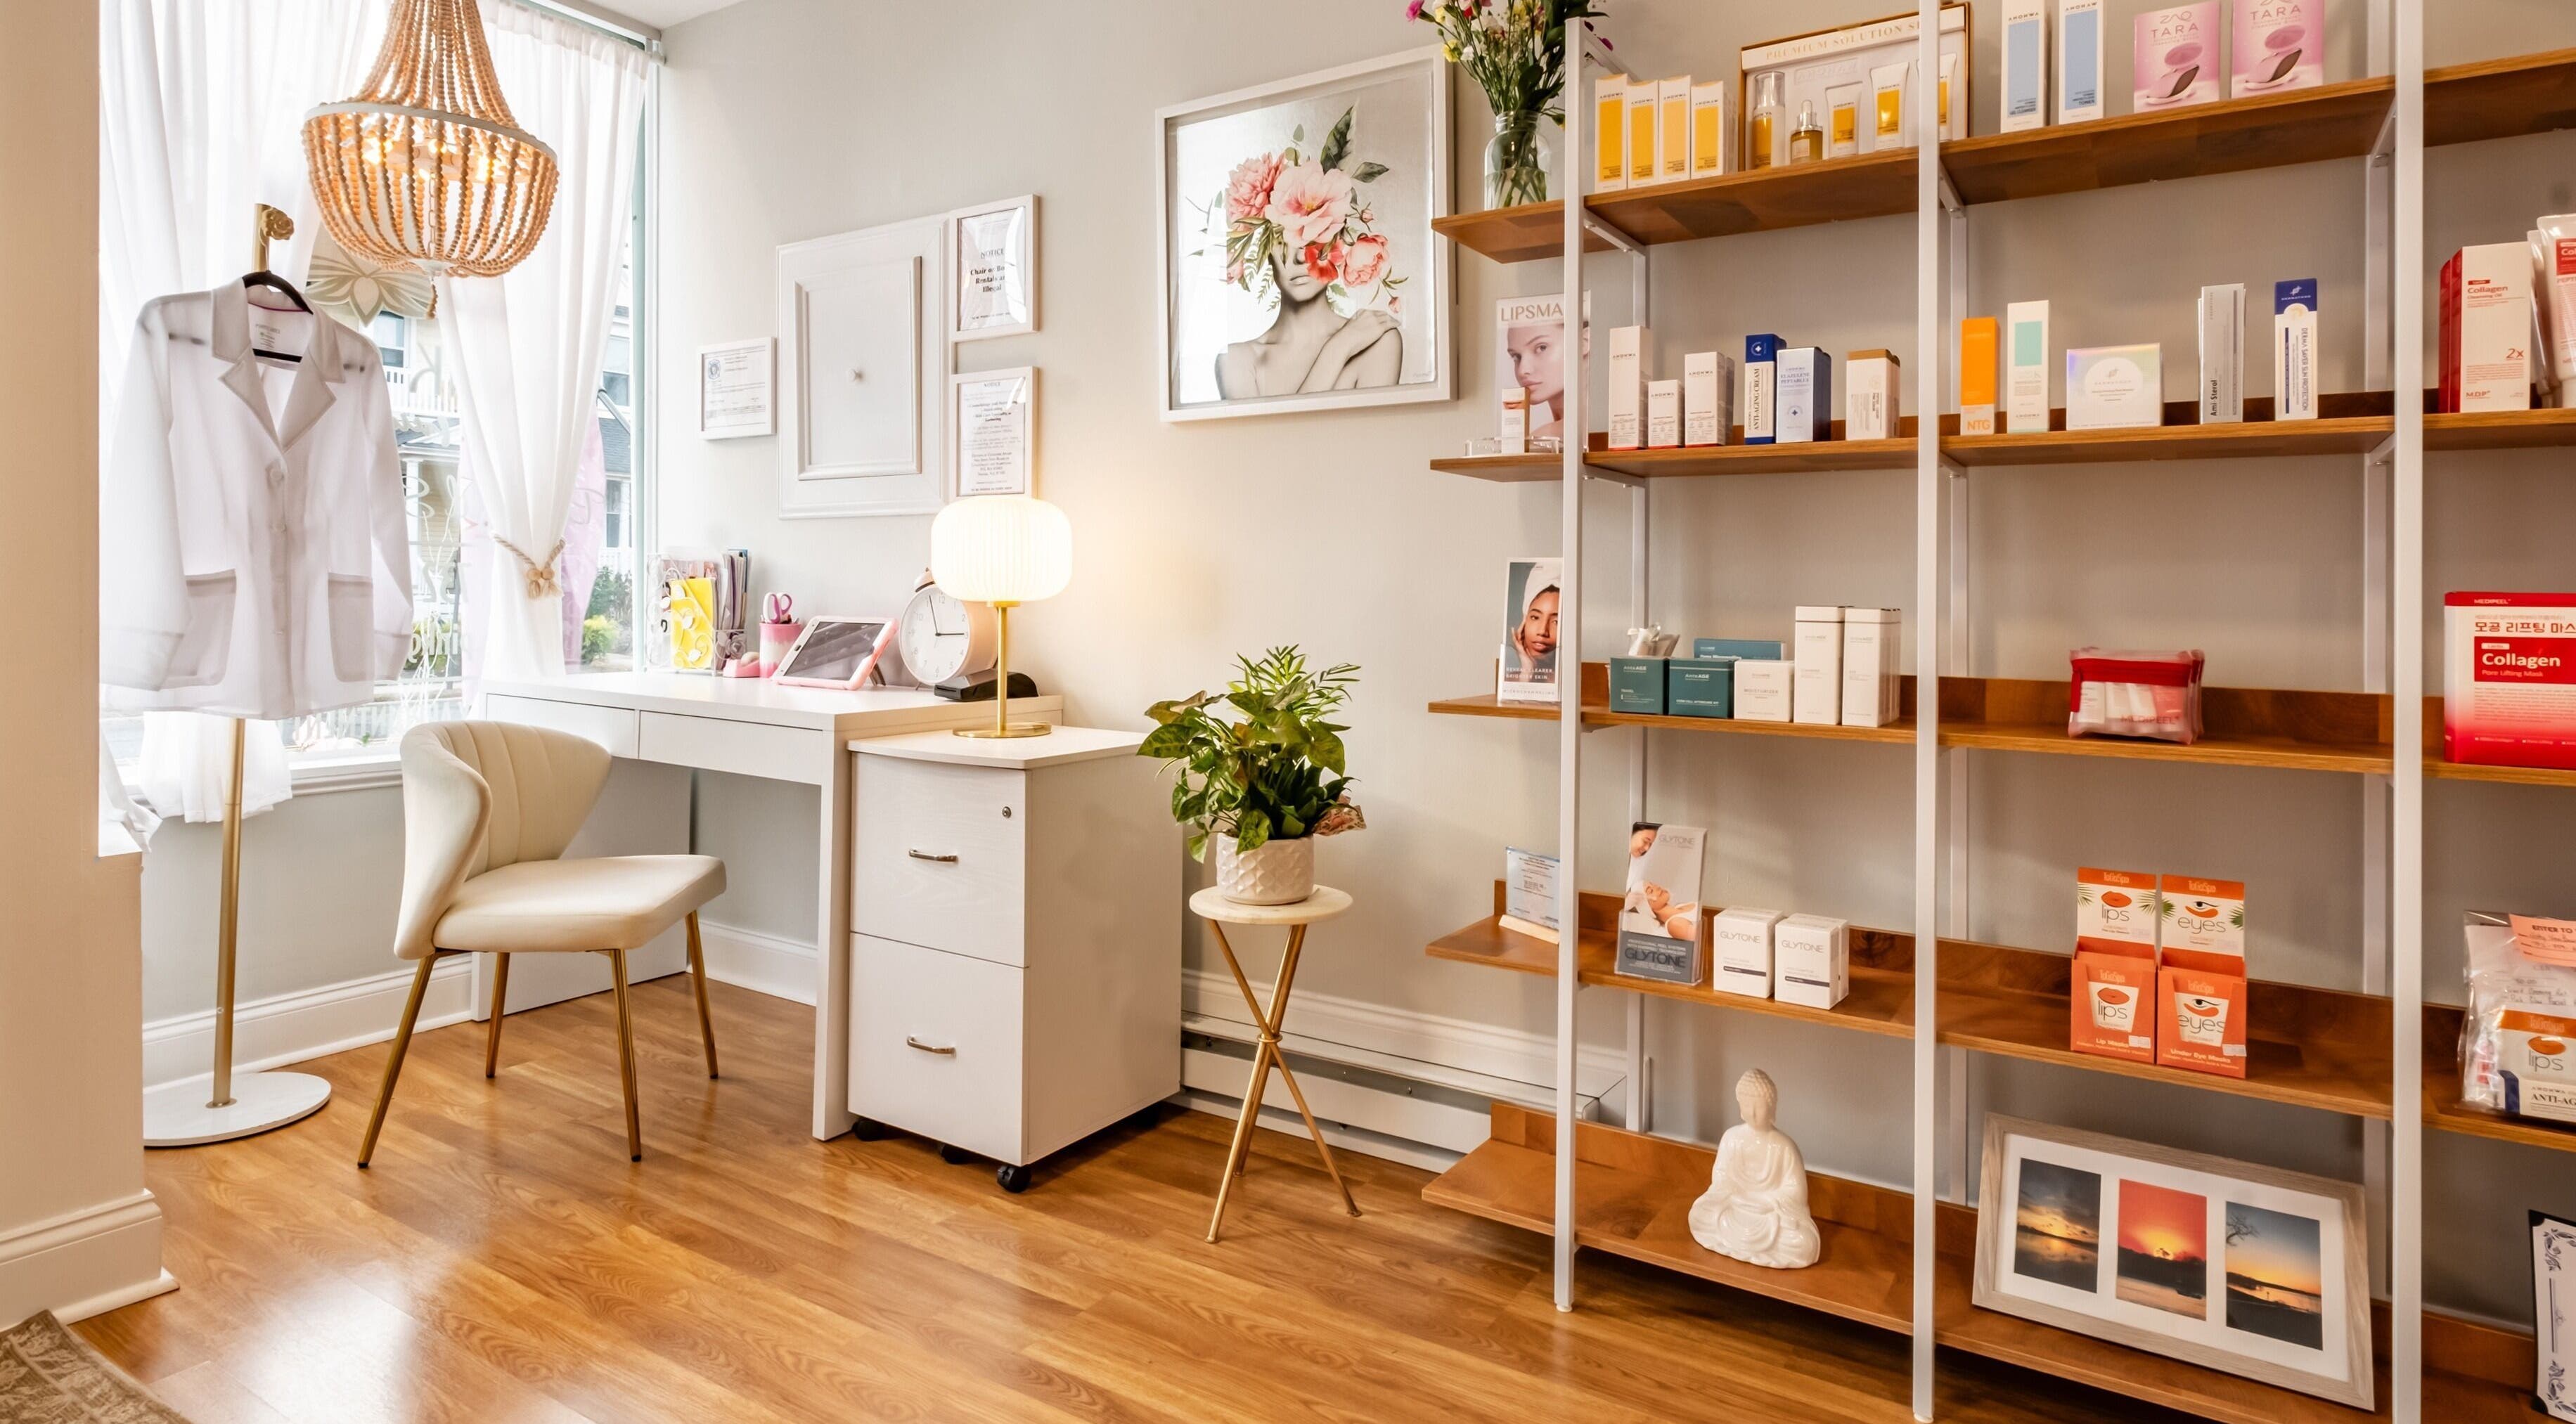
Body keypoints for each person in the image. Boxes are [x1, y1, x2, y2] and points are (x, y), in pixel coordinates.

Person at [1216, 245, 1403, 399]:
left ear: (1339, 243)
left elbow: (1373, 435)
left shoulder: (1378, 342)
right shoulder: (1236, 361)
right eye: (1282, 240)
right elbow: (1277, 437)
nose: (1300, 257)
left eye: (1314, 237)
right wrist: (1337, 349)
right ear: (1267, 250)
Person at [1688, 1069, 1822, 1269]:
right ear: (1740, 1106)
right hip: (1735, 1207)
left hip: (1769, 1215)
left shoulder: (1784, 1146)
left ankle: (1752, 1243)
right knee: (1698, 1216)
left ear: (1772, 1107)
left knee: (1804, 1244)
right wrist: (1737, 1196)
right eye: (1747, 1105)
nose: (1753, 1112)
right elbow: (1721, 1177)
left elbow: (1796, 1192)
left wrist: (1767, 1202)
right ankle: (1747, 1243)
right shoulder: (1732, 1138)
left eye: (1759, 1106)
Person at [1507, 313, 1586, 441]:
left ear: (1583, 343)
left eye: (1541, 348)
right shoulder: (1550, 438)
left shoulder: (1541, 439)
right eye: (1516, 356)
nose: (1523, 370)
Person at [1509, 578, 1558, 684]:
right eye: (1535, 617)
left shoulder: (1573, 683)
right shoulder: (1509, 681)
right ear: (1525, 622)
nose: (1543, 631)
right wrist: (1527, 672)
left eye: (1556, 622)